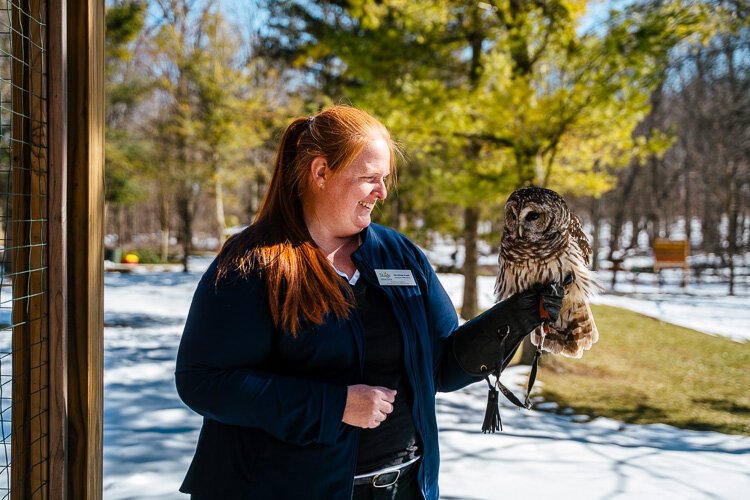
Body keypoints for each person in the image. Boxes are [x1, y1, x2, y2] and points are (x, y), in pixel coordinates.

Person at [175, 105, 563, 500]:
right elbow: (203, 381)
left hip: (404, 487)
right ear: (321, 171)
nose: (381, 192)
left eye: (384, 179)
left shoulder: (399, 255)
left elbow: (443, 366)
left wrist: (523, 311)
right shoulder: (255, 262)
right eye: (368, 178)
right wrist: (335, 405)